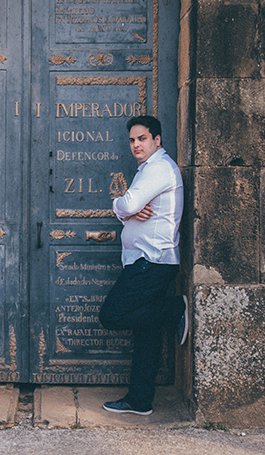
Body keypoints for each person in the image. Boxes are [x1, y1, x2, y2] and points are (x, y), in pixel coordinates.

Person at [99, 114, 188, 417]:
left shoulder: (158, 168)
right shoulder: (150, 168)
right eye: (132, 140)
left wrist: (120, 206)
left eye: (142, 139)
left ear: (156, 140)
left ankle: (174, 309)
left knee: (112, 315)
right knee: (146, 332)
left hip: (151, 261)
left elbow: (128, 204)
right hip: (149, 260)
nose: (136, 144)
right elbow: (132, 209)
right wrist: (128, 211)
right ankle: (140, 400)